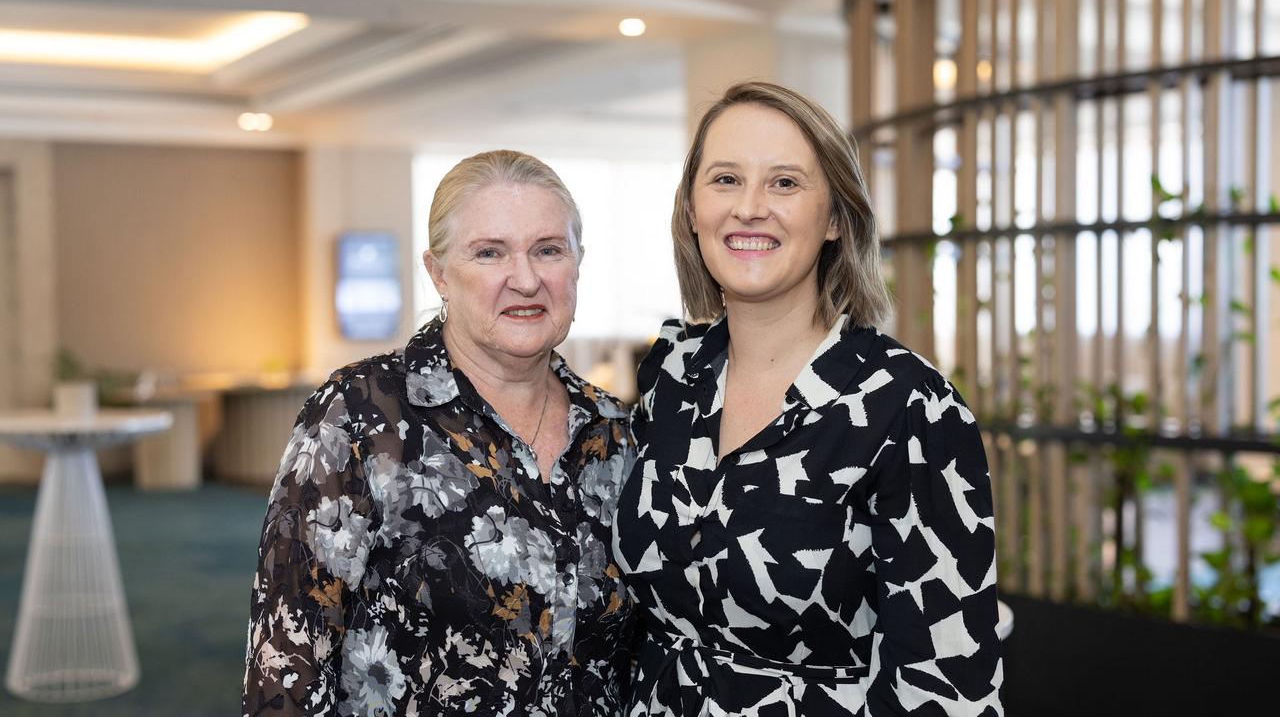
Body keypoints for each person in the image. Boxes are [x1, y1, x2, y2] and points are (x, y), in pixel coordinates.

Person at [612, 82, 1002, 715]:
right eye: (726, 180)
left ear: (834, 220)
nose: (750, 208)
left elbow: (948, 687)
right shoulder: (673, 377)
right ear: (691, 209)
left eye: (785, 183)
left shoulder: (907, 408)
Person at [243, 150, 636, 717]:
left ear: (578, 261)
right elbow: (286, 667)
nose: (525, 279)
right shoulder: (359, 417)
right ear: (439, 272)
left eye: (548, 250)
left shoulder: (614, 433)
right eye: (489, 252)